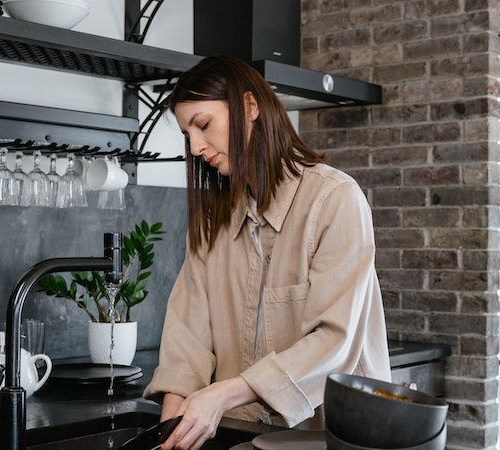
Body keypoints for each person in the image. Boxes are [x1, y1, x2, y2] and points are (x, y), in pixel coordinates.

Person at [142, 55, 390, 450]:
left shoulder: (335, 199)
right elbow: (186, 339)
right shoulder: (212, 222)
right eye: (187, 134)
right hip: (245, 436)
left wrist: (221, 395)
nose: (195, 146)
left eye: (203, 125)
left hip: (333, 437)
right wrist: (171, 430)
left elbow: (334, 342)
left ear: (250, 107)